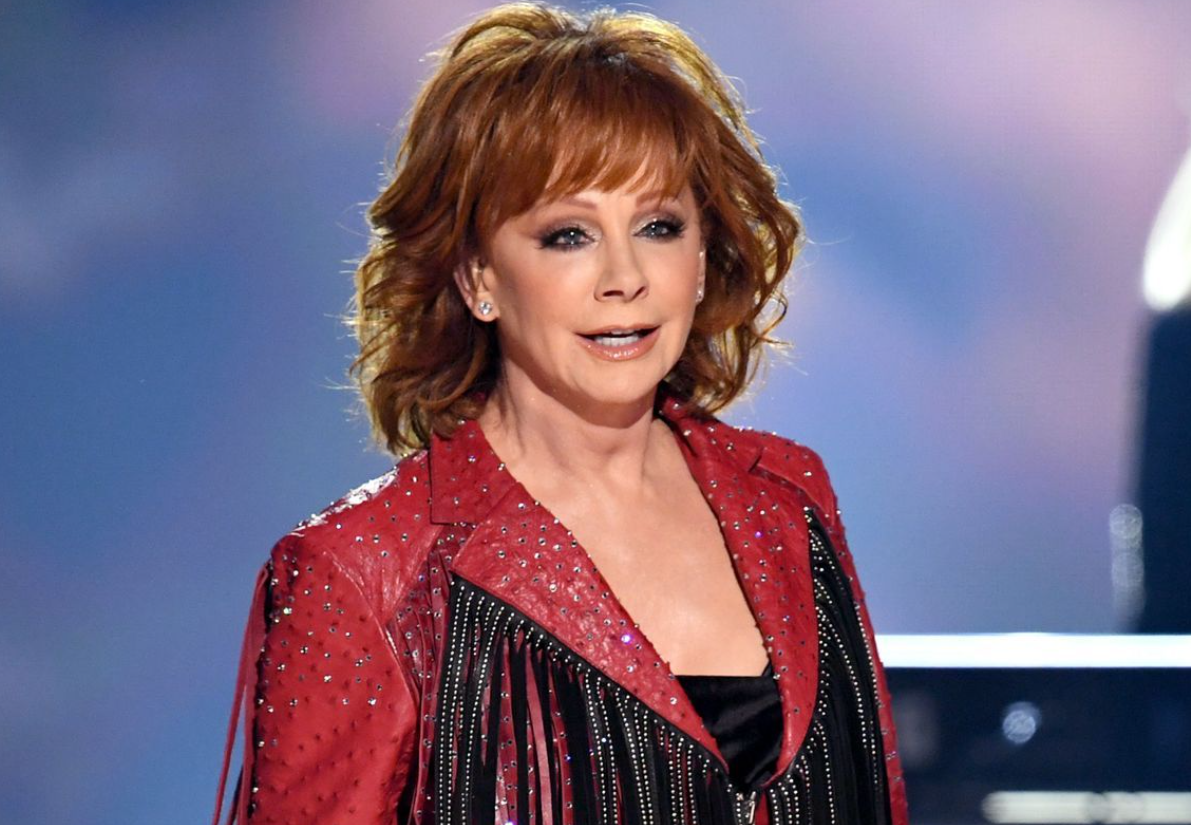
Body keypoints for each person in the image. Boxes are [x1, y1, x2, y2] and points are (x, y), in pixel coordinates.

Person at [212, 3, 908, 824]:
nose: (624, 277)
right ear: (477, 275)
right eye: (568, 235)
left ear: (700, 256)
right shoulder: (363, 573)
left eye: (658, 226)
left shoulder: (787, 499)